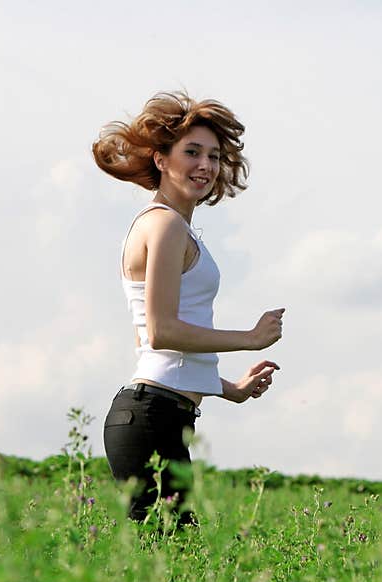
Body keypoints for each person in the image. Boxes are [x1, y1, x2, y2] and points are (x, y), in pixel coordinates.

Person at [92, 91, 285, 525]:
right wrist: (249, 339)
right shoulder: (163, 225)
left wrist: (229, 389)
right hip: (150, 417)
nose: (206, 165)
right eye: (192, 152)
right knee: (174, 559)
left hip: (160, 414)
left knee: (171, 561)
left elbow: (158, 346)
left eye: (214, 156)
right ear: (161, 159)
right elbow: (161, 332)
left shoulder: (175, 227)